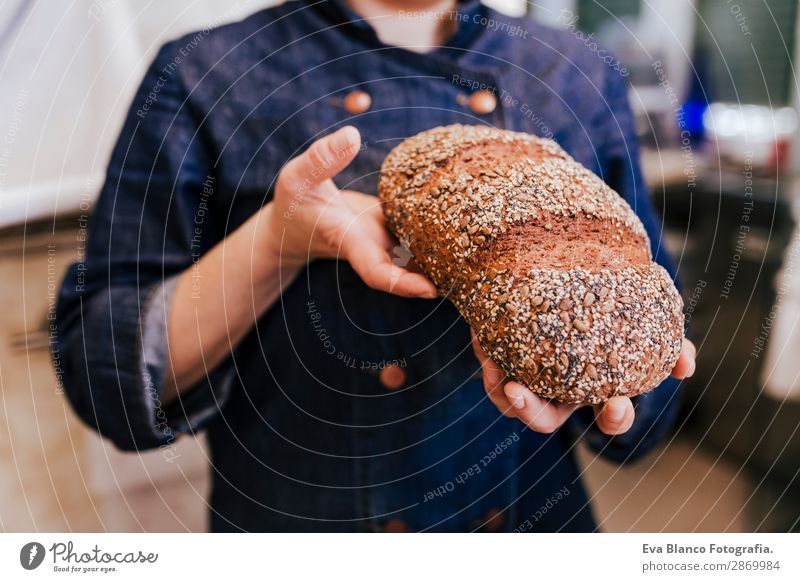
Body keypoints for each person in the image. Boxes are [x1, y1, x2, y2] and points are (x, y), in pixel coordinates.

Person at [55, 0, 696, 532]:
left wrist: (611, 376)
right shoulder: (204, 72)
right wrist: (278, 239)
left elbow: (653, 381)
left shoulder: (574, 71)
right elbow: (104, 374)